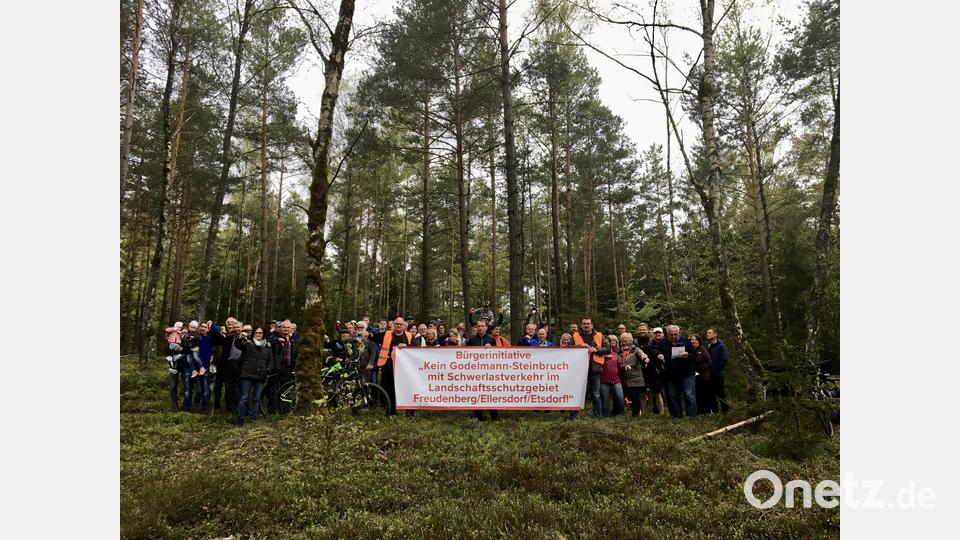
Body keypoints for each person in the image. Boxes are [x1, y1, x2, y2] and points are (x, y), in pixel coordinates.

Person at [370, 317, 410, 416]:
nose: (398, 326)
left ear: (404, 326)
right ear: (393, 325)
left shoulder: (409, 336)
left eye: (400, 324)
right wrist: (367, 334)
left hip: (404, 368)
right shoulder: (387, 334)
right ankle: (391, 410)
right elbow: (375, 336)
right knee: (388, 388)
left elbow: (416, 348)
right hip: (388, 366)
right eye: (396, 324)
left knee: (404, 388)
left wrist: (406, 346)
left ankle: (408, 410)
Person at [572, 318, 610, 419]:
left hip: (595, 368)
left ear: (592, 325)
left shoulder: (599, 335)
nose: (586, 325)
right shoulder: (575, 336)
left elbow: (608, 349)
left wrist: (596, 349)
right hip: (579, 369)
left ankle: (597, 416)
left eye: (588, 324)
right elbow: (569, 348)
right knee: (577, 393)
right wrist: (579, 347)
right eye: (584, 324)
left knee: (596, 394)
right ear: (581, 325)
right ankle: (573, 416)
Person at [235, 326, 273, 426]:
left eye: (260, 333)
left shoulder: (267, 346)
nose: (258, 334)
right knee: (244, 397)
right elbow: (238, 345)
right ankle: (240, 419)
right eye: (256, 333)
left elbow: (270, 361)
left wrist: (267, 370)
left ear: (263, 334)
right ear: (253, 334)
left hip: (260, 376)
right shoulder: (248, 343)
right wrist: (239, 337)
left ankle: (252, 418)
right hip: (247, 374)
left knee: (256, 398)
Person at [659, 325, 698, 418]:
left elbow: (695, 355)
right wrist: (658, 354)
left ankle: (692, 417)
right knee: (673, 396)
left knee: (689, 396)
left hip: (686, 374)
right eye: (671, 335)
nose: (673, 336)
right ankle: (677, 416)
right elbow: (654, 350)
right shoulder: (663, 342)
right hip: (670, 375)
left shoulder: (685, 341)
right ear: (667, 334)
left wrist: (688, 355)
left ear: (679, 333)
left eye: (675, 334)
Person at [465, 320, 498, 420]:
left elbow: (497, 355)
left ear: (486, 327)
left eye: (482, 326)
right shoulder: (471, 340)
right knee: (476, 393)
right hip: (475, 372)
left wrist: (491, 348)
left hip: (489, 372)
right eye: (478, 326)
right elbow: (466, 355)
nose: (480, 328)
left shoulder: (492, 339)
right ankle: (478, 416)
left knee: (491, 393)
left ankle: (494, 416)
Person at [268, 320, 298, 412]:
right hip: (277, 369)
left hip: (289, 369)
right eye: (284, 327)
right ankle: (271, 411)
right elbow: (268, 340)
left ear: (291, 329)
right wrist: (277, 340)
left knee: (286, 391)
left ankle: (284, 411)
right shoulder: (275, 336)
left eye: (288, 327)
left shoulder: (293, 340)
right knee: (273, 392)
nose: (286, 329)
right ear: (280, 328)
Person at [635, 323, 664, 415]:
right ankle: (643, 413)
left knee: (657, 392)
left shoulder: (653, 341)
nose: (642, 331)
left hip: (653, 369)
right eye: (640, 329)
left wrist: (659, 366)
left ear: (647, 330)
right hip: (640, 370)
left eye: (644, 329)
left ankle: (662, 413)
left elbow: (658, 352)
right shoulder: (636, 341)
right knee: (642, 393)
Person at [214, 318, 242, 412]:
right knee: (218, 386)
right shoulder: (227, 337)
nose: (231, 326)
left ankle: (231, 407)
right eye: (229, 324)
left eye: (233, 324)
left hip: (235, 364)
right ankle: (217, 405)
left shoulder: (241, 337)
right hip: (222, 364)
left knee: (231, 386)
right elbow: (217, 340)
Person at [599, 335, 627, 417]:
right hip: (603, 381)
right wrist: (604, 358)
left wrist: (625, 366)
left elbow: (619, 364)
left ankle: (621, 414)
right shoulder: (599, 354)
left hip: (616, 380)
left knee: (620, 398)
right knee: (605, 400)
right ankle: (605, 415)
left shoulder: (615, 354)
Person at [619, 333, 647, 417]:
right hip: (624, 379)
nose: (625, 342)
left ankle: (636, 414)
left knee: (634, 397)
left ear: (631, 341)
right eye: (623, 340)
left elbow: (642, 355)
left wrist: (645, 359)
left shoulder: (636, 350)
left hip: (635, 378)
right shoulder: (619, 351)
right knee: (626, 397)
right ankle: (629, 412)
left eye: (627, 340)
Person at [691, 334, 716, 414]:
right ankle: (699, 411)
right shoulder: (690, 350)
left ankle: (707, 412)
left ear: (698, 341)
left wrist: (699, 368)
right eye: (692, 339)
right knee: (696, 395)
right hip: (693, 376)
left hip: (704, 376)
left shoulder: (702, 349)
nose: (693, 341)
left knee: (704, 395)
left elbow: (709, 362)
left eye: (695, 339)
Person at [706, 327, 729, 413]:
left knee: (720, 394)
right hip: (709, 375)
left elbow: (724, 360)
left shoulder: (721, 346)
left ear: (715, 334)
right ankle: (715, 412)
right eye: (707, 333)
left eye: (709, 333)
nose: (707, 334)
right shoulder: (708, 345)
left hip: (718, 375)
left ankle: (725, 411)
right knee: (711, 394)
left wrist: (717, 371)